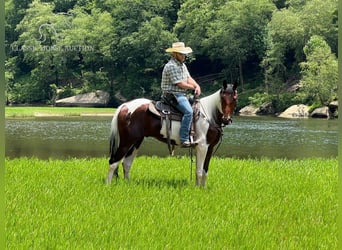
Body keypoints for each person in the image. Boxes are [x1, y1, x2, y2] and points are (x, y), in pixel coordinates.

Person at [161, 42, 201, 147]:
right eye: (181, 54)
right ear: (174, 54)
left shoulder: (182, 65)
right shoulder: (171, 66)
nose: (184, 56)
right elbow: (180, 84)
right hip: (173, 94)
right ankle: (184, 139)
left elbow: (188, 78)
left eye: (184, 54)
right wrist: (193, 88)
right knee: (188, 112)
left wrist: (197, 85)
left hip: (181, 94)